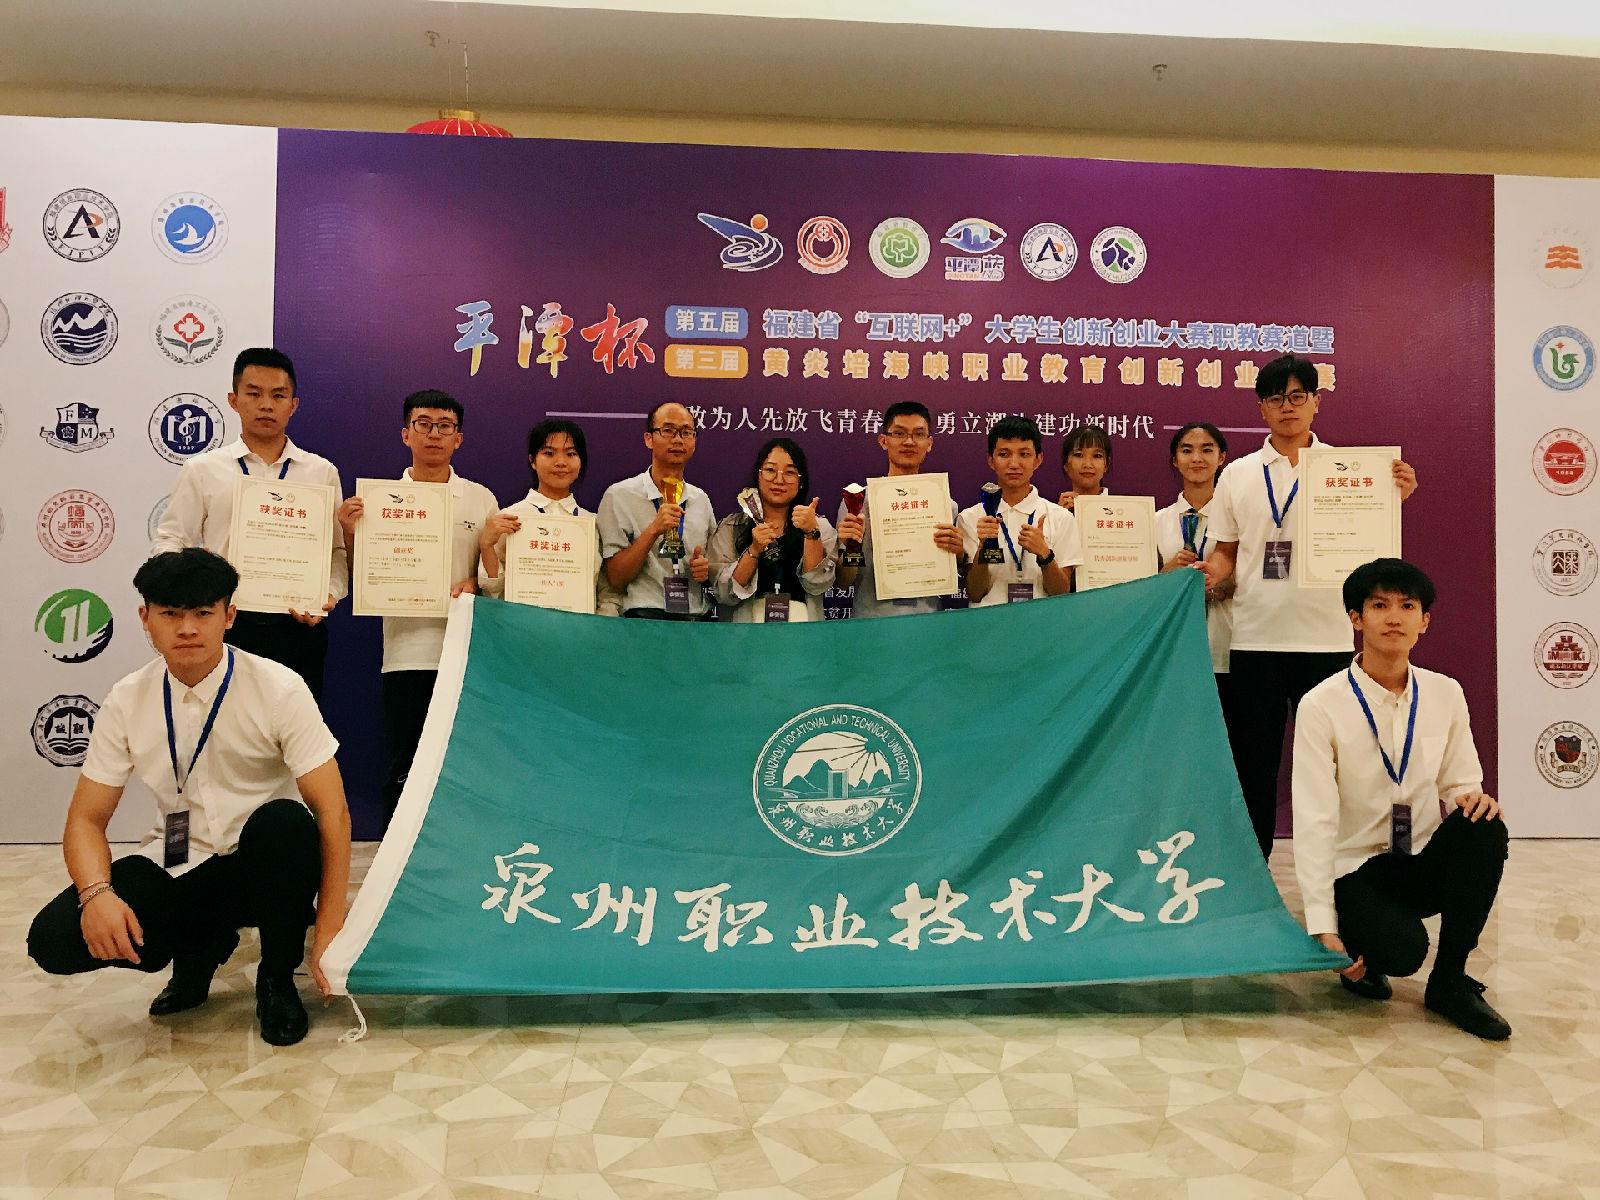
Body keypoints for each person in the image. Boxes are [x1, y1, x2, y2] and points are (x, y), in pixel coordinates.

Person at [26, 549, 351, 1048]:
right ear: (145, 619)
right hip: (182, 858)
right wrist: (97, 896)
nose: (187, 629)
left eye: (203, 612)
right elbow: (86, 820)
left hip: (264, 864)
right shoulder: (127, 699)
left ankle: (276, 977)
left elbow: (333, 811)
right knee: (53, 938)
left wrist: (330, 927)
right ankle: (200, 945)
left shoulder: (279, 688)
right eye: (170, 614)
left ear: (229, 616)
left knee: (286, 823)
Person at [1200, 354, 1418, 859]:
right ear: (1261, 408)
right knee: (1253, 767)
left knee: (1337, 767)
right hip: (1255, 640)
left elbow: (1372, 539)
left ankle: (1345, 870)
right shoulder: (1238, 474)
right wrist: (1208, 573)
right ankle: (1253, 873)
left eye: (1298, 396)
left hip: (1327, 640)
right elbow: (1227, 551)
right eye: (1276, 398)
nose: (1288, 407)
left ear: (1317, 402)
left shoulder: (1353, 470)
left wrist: (1392, 497)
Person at [1292, 559, 1510, 1040]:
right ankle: (1362, 945)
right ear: (1356, 618)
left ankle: (1450, 982)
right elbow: (1314, 819)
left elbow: (1460, 781)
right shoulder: (1321, 704)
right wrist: (1322, 926)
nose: (1394, 617)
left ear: (1424, 621)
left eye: (1407, 606)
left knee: (1485, 825)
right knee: (1401, 952)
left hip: (1417, 856)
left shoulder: (1445, 692)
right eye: (1379, 605)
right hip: (1356, 867)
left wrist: (1474, 800)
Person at [336, 390, 499, 826]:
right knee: (404, 763)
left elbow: (497, 574)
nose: (434, 434)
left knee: (462, 760)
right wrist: (350, 533)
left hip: (464, 651)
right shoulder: (379, 501)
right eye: (423, 424)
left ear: (458, 438)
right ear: (406, 434)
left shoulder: (480, 498)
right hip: (406, 652)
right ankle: (399, 853)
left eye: (445, 426)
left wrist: (476, 584)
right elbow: (361, 577)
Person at [152, 347, 347, 701]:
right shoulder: (204, 469)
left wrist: (327, 594)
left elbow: (336, 551)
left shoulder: (321, 472)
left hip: (298, 625)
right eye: (254, 394)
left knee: (294, 728)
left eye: (278, 396)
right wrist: (195, 589)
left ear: (294, 405)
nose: (266, 405)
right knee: (221, 723)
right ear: (234, 400)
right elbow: (170, 540)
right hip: (226, 623)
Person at [834, 401, 964, 617]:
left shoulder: (945, 505)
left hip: (927, 620)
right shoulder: (857, 503)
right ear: (884, 441)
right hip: (871, 622)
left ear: (929, 443)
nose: (909, 442)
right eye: (899, 433)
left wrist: (958, 552)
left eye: (918, 434)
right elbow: (842, 581)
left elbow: (956, 572)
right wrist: (851, 549)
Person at [479, 417, 618, 614]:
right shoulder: (509, 518)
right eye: (549, 453)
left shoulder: (593, 523)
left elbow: (608, 592)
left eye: (570, 453)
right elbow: (493, 591)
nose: (560, 462)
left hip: (579, 629)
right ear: (532, 461)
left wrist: (596, 626)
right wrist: (487, 546)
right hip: (521, 626)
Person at [597, 402, 717, 619]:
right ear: (648, 439)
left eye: (686, 432)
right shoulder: (620, 496)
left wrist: (705, 572)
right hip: (642, 619)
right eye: (668, 430)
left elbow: (715, 572)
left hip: (694, 621)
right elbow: (615, 579)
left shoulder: (701, 500)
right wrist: (654, 530)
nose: (678, 440)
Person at [708, 438, 837, 621]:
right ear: (758, 476)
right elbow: (724, 593)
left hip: (803, 632)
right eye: (770, 470)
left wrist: (811, 534)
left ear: (801, 482)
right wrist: (753, 551)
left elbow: (817, 584)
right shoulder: (731, 527)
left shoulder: (819, 527)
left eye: (790, 472)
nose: (779, 480)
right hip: (747, 633)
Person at [958, 416, 1081, 605]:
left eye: (1024, 454)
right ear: (991, 460)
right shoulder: (970, 517)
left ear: (1038, 460)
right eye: (1004, 454)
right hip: (988, 622)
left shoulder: (1060, 517)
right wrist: (984, 547)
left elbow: (1061, 593)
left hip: (1041, 621)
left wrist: (1045, 555)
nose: (1014, 464)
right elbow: (975, 593)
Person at [1155, 422, 1235, 689]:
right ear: (1175, 460)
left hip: (1227, 644)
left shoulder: (1238, 519)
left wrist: (1216, 587)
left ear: (1221, 458)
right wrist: (1167, 573)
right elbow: (1142, 587)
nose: (1197, 458)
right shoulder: (1156, 521)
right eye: (1187, 450)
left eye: (1207, 450)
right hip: (1172, 646)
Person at [1056, 422, 1112, 511]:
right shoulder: (1051, 514)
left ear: (1106, 464)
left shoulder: (1122, 511)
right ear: (1066, 463)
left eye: (1097, 456)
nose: (1087, 465)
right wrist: (1059, 516)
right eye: (1079, 455)